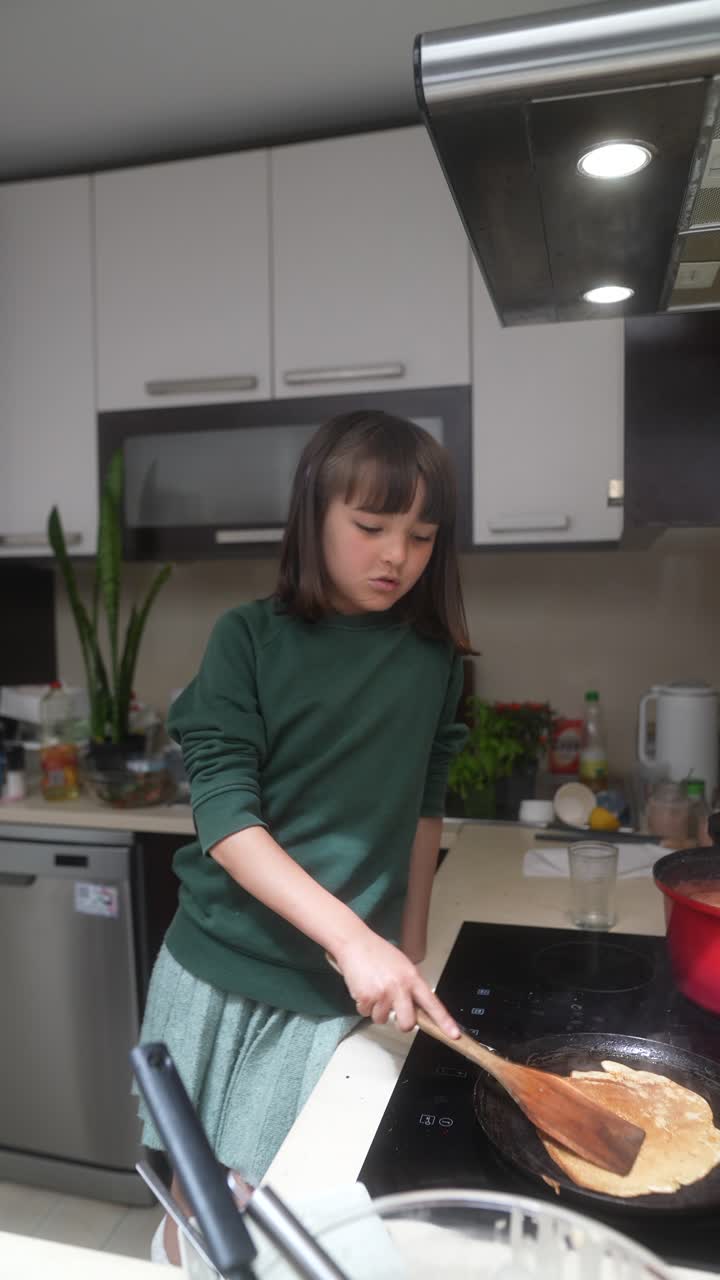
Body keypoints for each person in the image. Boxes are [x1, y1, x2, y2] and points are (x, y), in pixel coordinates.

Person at [137, 409, 473, 1264]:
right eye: (370, 527)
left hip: (329, 991)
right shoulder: (248, 640)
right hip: (219, 971)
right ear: (313, 517)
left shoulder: (434, 662)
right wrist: (359, 941)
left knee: (288, 1208)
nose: (397, 555)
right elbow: (225, 818)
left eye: (421, 536)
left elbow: (423, 803)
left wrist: (409, 943)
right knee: (208, 1207)